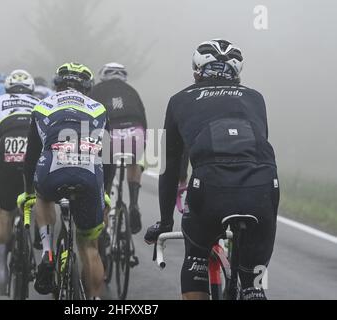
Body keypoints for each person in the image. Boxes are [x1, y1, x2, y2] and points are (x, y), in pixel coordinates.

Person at [144, 39, 279, 300]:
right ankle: (252, 287)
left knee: (196, 257)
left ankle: (199, 267)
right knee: (253, 277)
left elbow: (171, 166)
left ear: (196, 71)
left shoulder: (179, 100)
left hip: (210, 188)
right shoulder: (255, 98)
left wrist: (165, 222)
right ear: (237, 74)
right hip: (263, 186)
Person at [18, 62, 107, 299]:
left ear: (57, 85)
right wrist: (103, 190)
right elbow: (105, 156)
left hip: (52, 169)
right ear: (88, 88)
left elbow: (30, 159)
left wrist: (28, 191)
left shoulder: (43, 105)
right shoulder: (99, 108)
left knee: (42, 196)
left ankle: (47, 253)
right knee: (90, 247)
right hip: (89, 173)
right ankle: (92, 301)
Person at [0, 69, 39, 295]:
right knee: (40, 203)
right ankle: (41, 244)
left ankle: (0, 270)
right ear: (31, 89)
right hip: (33, 155)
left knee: (5, 212)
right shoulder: (39, 102)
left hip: (7, 153)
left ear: (7, 89)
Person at [90, 62, 147, 234]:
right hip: (135, 131)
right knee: (134, 161)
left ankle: (104, 218)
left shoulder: (96, 90)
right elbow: (143, 121)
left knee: (106, 168)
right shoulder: (132, 91)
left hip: (110, 132)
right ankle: (134, 203)